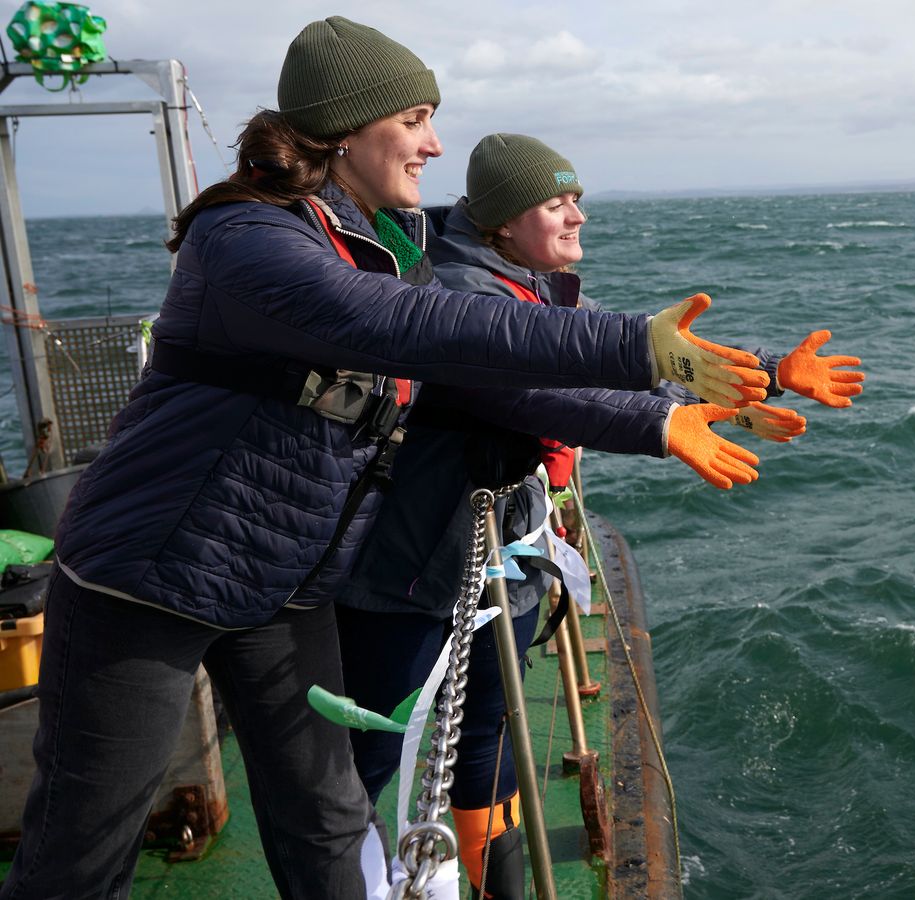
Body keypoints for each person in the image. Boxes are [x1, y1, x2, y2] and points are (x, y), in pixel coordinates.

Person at [0, 18, 778, 899]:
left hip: (280, 576)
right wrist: (638, 344)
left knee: (329, 822)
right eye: (414, 119)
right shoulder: (250, 238)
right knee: (84, 844)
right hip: (148, 574)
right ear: (345, 128)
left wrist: (723, 386)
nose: (434, 143)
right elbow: (417, 326)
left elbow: (492, 354)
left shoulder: (383, 242)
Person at [336, 133, 866, 897]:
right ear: (501, 224)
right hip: (410, 575)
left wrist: (770, 373)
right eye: (556, 203)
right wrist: (659, 427)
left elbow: (620, 367)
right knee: (362, 759)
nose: (578, 215)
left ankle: (502, 889)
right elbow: (543, 391)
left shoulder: (527, 284)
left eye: (575, 198)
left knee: (486, 741)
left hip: (501, 565)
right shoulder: (457, 297)